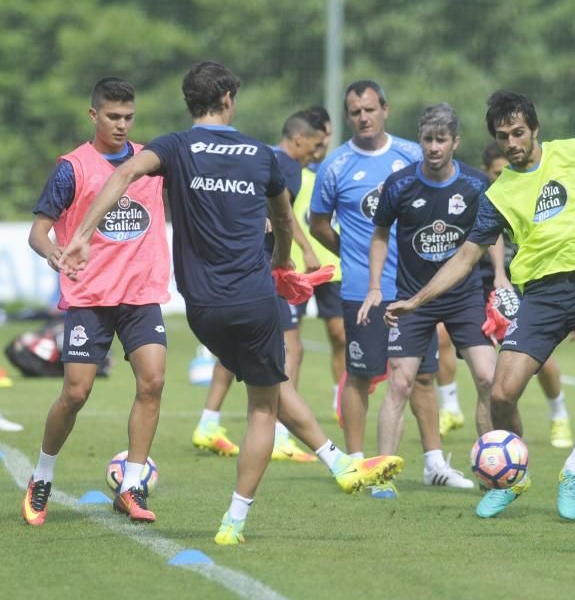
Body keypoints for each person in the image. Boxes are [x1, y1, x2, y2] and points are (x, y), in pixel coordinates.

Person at [59, 62, 402, 545]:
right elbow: (282, 220)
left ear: (189, 103)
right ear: (226, 99)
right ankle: (234, 522)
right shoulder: (263, 156)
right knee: (263, 404)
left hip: (201, 310)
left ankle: (338, 460)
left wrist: (83, 236)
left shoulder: (174, 147)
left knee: (271, 385)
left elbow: (124, 174)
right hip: (254, 297)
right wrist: (283, 266)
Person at [385, 90, 575, 520]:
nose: (510, 143)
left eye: (518, 132)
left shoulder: (574, 154)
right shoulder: (498, 193)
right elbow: (466, 256)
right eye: (502, 135)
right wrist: (416, 300)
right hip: (541, 298)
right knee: (502, 393)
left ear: (534, 129)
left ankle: (574, 468)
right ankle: (514, 477)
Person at [23, 77, 168, 526]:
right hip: (90, 297)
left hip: (141, 295)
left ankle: (132, 484)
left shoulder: (150, 163)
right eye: (113, 117)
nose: (122, 125)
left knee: (153, 382)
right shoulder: (73, 168)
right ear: (94, 116)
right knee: (76, 392)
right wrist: (55, 256)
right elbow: (38, 232)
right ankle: (43, 475)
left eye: (129, 117)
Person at [309, 80, 442, 499]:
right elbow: (318, 223)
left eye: (369, 109)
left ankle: (435, 463)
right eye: (355, 112)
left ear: (385, 108)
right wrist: (350, 252)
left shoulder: (411, 156)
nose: (363, 117)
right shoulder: (335, 166)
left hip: (414, 288)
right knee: (361, 376)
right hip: (361, 290)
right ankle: (358, 463)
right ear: (348, 116)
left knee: (421, 377)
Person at [359, 102, 500, 492]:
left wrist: (501, 277)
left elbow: (493, 232)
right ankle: (383, 477)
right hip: (411, 298)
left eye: (441, 140)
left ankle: (494, 470)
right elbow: (380, 235)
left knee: (489, 376)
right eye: (427, 139)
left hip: (465, 297)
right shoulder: (400, 185)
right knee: (400, 384)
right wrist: (375, 287)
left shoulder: (475, 184)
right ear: (419, 139)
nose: (433, 147)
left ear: (455, 142)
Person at [191, 109, 327, 463]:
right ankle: (282, 435)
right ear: (298, 138)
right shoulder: (284, 166)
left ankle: (208, 422)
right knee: (291, 349)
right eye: (316, 143)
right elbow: (281, 215)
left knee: (237, 348)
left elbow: (278, 214)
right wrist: (304, 250)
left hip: (243, 272)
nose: (318, 151)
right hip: (264, 273)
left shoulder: (259, 156)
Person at [479, 142, 573, 449]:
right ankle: (453, 408)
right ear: (486, 172)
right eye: (496, 172)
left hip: (524, 288)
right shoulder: (486, 200)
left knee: (540, 360)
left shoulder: (531, 195)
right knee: (487, 368)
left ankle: (558, 414)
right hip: (485, 286)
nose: (502, 176)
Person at [293, 106, 349, 403]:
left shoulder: (336, 168)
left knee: (340, 336)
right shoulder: (290, 169)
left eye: (327, 133)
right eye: (320, 134)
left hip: (332, 265)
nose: (324, 140)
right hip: (297, 267)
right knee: (290, 343)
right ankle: (285, 407)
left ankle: (340, 396)